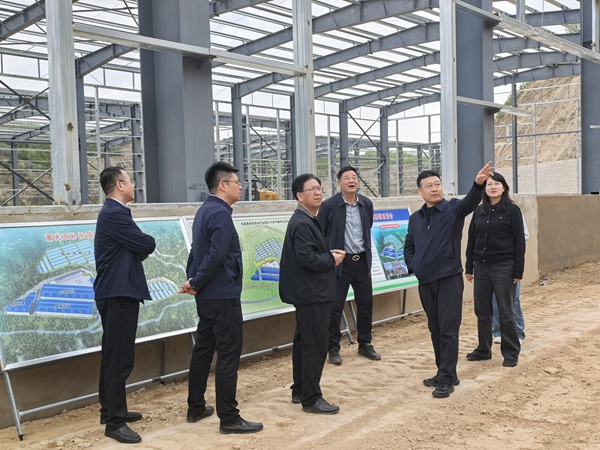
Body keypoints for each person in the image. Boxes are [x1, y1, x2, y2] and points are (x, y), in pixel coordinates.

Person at [179, 161, 263, 435]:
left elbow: (195, 253)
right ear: (223, 185)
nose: (241, 187)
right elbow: (216, 255)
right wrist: (196, 282)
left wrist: (194, 282)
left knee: (204, 349)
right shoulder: (219, 213)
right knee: (228, 355)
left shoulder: (205, 210)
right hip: (222, 295)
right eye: (237, 183)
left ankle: (196, 407)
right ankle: (229, 418)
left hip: (207, 296)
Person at [404, 161, 494, 399]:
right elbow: (409, 246)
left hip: (448, 279)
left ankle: (446, 379)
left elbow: (470, 202)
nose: (435, 189)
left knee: (448, 330)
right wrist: (414, 266)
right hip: (425, 281)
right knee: (435, 328)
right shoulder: (415, 219)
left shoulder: (453, 208)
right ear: (420, 191)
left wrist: (478, 184)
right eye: (429, 186)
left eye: (437, 184)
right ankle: (445, 372)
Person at [94, 167, 156, 444]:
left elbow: (138, 247)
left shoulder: (115, 213)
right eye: (130, 181)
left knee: (113, 355)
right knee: (119, 359)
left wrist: (138, 242)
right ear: (119, 185)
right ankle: (115, 422)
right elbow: (147, 244)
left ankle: (110, 410)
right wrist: (141, 239)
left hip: (116, 291)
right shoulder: (115, 214)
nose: (133, 185)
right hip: (118, 293)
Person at [279, 174, 345, 414]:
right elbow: (306, 258)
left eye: (320, 188)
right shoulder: (302, 222)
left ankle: (300, 390)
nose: (318, 193)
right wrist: (331, 259)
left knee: (303, 344)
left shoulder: (307, 219)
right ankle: (312, 398)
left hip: (308, 293)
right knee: (315, 346)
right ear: (299, 196)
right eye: (312, 189)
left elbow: (308, 253)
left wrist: (328, 254)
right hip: (312, 294)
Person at [317, 166, 380, 365]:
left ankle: (365, 344)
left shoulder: (366, 204)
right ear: (339, 183)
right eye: (347, 178)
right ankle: (333, 348)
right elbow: (319, 233)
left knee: (366, 305)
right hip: (339, 264)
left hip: (362, 262)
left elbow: (368, 226)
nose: (351, 181)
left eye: (354, 177)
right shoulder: (329, 206)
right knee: (335, 307)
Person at [465, 172, 525, 368]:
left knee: (506, 310)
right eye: (489, 184)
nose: (493, 187)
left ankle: (511, 352)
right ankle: (484, 349)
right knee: (482, 310)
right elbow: (471, 240)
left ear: (504, 188)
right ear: (485, 188)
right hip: (481, 266)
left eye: (497, 184)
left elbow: (519, 242)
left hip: (504, 267)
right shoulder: (479, 211)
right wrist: (469, 266)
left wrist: (518, 271)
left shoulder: (512, 211)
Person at [492, 217, 529, 345]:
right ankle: (498, 332)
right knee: (495, 299)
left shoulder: (514, 212)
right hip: (493, 263)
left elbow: (524, 236)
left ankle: (518, 332)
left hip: (510, 263)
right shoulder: (486, 213)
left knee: (513, 299)